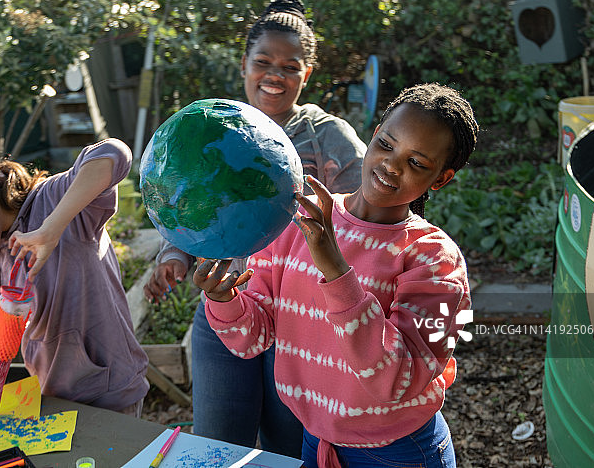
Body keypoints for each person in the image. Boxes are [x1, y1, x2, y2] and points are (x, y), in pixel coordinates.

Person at [196, 83, 478, 467]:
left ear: (440, 179)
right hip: (317, 441)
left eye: (417, 163)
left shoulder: (434, 260)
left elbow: (396, 380)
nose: (391, 165)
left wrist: (335, 269)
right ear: (373, 135)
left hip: (399, 453)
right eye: (386, 144)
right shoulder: (299, 222)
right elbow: (253, 339)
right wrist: (224, 300)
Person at [143, 0, 368, 456]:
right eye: (263, 61)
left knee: (287, 450)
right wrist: (172, 255)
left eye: (290, 66)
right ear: (244, 64)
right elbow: (187, 205)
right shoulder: (210, 129)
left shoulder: (329, 138)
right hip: (224, 309)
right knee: (217, 447)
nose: (275, 75)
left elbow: (360, 223)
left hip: (300, 323)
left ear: (307, 74)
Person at [0, 139, 149, 415]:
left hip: (110, 390)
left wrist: (52, 227)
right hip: (53, 392)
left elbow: (114, 153)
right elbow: (20, 315)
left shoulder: (53, 200)